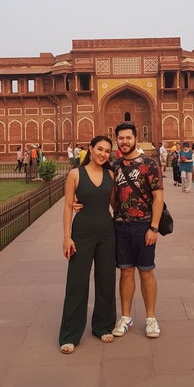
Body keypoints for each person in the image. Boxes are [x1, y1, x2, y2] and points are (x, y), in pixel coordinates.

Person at [59, 136, 116, 354]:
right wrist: (67, 237)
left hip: (106, 232)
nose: (103, 153)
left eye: (107, 151)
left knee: (105, 280)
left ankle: (103, 326)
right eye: (99, 149)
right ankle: (70, 334)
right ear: (90, 149)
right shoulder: (76, 174)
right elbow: (67, 207)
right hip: (81, 232)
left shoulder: (110, 174)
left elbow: (114, 205)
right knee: (77, 282)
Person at [111, 122, 163, 339]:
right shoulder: (113, 166)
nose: (124, 141)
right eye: (120, 138)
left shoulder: (149, 164)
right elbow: (107, 193)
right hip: (121, 225)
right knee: (125, 272)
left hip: (144, 226)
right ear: (117, 140)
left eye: (128, 138)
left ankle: (151, 318)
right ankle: (125, 317)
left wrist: (154, 228)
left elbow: (158, 198)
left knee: (146, 271)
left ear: (136, 140)